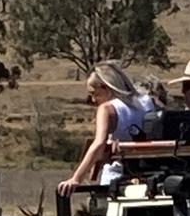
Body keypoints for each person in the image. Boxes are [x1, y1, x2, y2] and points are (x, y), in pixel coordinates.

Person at [57, 62, 145, 195]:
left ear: (105, 87)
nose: (93, 100)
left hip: (117, 175)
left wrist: (76, 178)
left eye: (94, 94)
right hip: (143, 173)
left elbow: (98, 144)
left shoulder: (107, 109)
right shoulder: (146, 101)